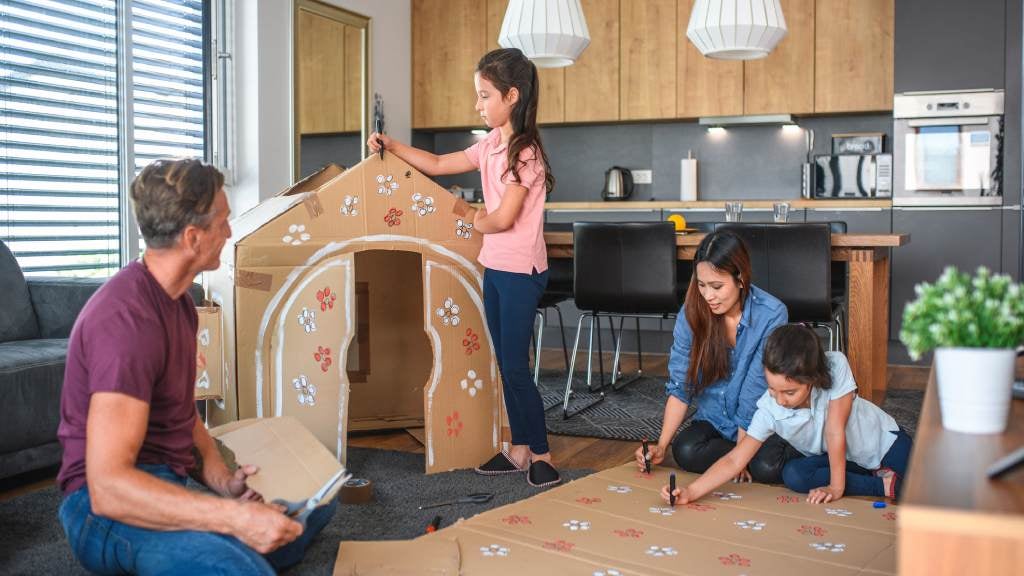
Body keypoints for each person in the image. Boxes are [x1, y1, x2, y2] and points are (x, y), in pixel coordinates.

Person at [56, 158, 336, 575]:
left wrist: (224, 483)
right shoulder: (125, 324)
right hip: (105, 514)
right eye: (222, 221)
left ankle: (222, 542)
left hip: (166, 488)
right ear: (192, 237)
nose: (228, 231)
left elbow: (181, 414)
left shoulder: (181, 305)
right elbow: (109, 489)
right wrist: (233, 519)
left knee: (303, 517)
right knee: (240, 565)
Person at [367, 48, 558, 487]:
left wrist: (467, 214)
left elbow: (503, 218)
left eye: (485, 95)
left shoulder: (525, 154)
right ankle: (519, 450)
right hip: (495, 266)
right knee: (505, 362)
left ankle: (542, 453)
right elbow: (437, 164)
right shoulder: (491, 144)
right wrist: (392, 146)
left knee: (514, 366)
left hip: (521, 272)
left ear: (512, 96)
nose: (478, 104)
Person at [661, 324, 912, 505]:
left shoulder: (835, 366)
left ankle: (885, 478)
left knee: (926, 489)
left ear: (812, 379)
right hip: (847, 461)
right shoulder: (769, 409)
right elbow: (734, 460)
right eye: (772, 389)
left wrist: (836, 487)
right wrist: (691, 492)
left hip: (883, 444)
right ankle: (882, 484)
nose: (780, 399)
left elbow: (835, 430)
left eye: (789, 392)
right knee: (794, 474)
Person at [635, 230, 798, 483]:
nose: (708, 295)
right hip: (715, 421)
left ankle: (752, 458)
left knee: (767, 466)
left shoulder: (772, 314)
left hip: (756, 423)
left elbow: (752, 394)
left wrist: (738, 459)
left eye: (717, 286)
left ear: (741, 279)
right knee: (684, 450)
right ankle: (741, 460)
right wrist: (661, 445)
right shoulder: (691, 313)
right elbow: (680, 386)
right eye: (701, 285)